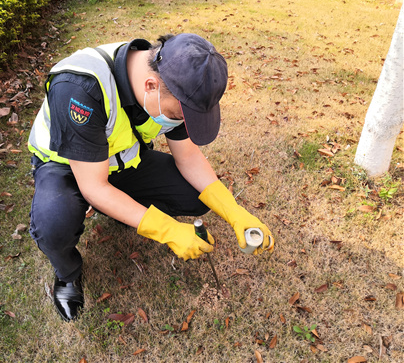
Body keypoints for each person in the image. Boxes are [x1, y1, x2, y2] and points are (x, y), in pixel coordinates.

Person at [28, 33, 275, 322]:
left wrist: (234, 212)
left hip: (123, 160)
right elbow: (94, 185)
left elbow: (189, 157)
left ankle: (123, 210)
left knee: (193, 196)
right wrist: (168, 230)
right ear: (151, 86)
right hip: (66, 168)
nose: (180, 122)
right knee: (54, 222)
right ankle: (67, 274)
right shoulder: (78, 90)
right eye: (178, 115)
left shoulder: (171, 77)